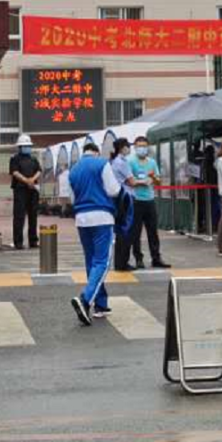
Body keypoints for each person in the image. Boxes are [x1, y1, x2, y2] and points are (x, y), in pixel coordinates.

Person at [69, 143, 121, 325]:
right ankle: (85, 299)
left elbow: (72, 199)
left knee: (91, 261)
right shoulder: (101, 164)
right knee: (102, 262)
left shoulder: (73, 170)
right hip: (102, 217)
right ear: (97, 151)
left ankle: (101, 303)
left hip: (81, 219)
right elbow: (114, 190)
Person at [127, 136, 171, 269]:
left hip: (150, 200)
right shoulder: (130, 161)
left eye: (144, 146)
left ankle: (156, 258)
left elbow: (158, 181)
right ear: (135, 147)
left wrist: (153, 178)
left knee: (153, 231)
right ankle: (138, 258)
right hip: (136, 200)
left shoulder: (152, 162)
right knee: (136, 232)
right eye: (139, 146)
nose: (142, 148)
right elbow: (130, 181)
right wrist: (141, 182)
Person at [110, 138, 139, 272]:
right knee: (126, 230)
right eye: (128, 146)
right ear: (122, 148)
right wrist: (146, 181)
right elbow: (132, 182)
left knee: (121, 230)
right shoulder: (122, 162)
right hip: (126, 198)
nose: (129, 148)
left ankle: (119, 262)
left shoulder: (114, 161)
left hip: (119, 199)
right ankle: (123, 263)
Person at [10, 134, 42, 250]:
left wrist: (32, 180)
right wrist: (26, 181)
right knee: (19, 217)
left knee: (33, 216)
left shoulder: (33, 159)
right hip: (20, 190)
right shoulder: (14, 159)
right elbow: (14, 172)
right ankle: (18, 242)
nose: (27, 148)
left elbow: (39, 170)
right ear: (20, 147)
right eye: (25, 146)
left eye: (28, 146)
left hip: (33, 190)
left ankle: (33, 241)